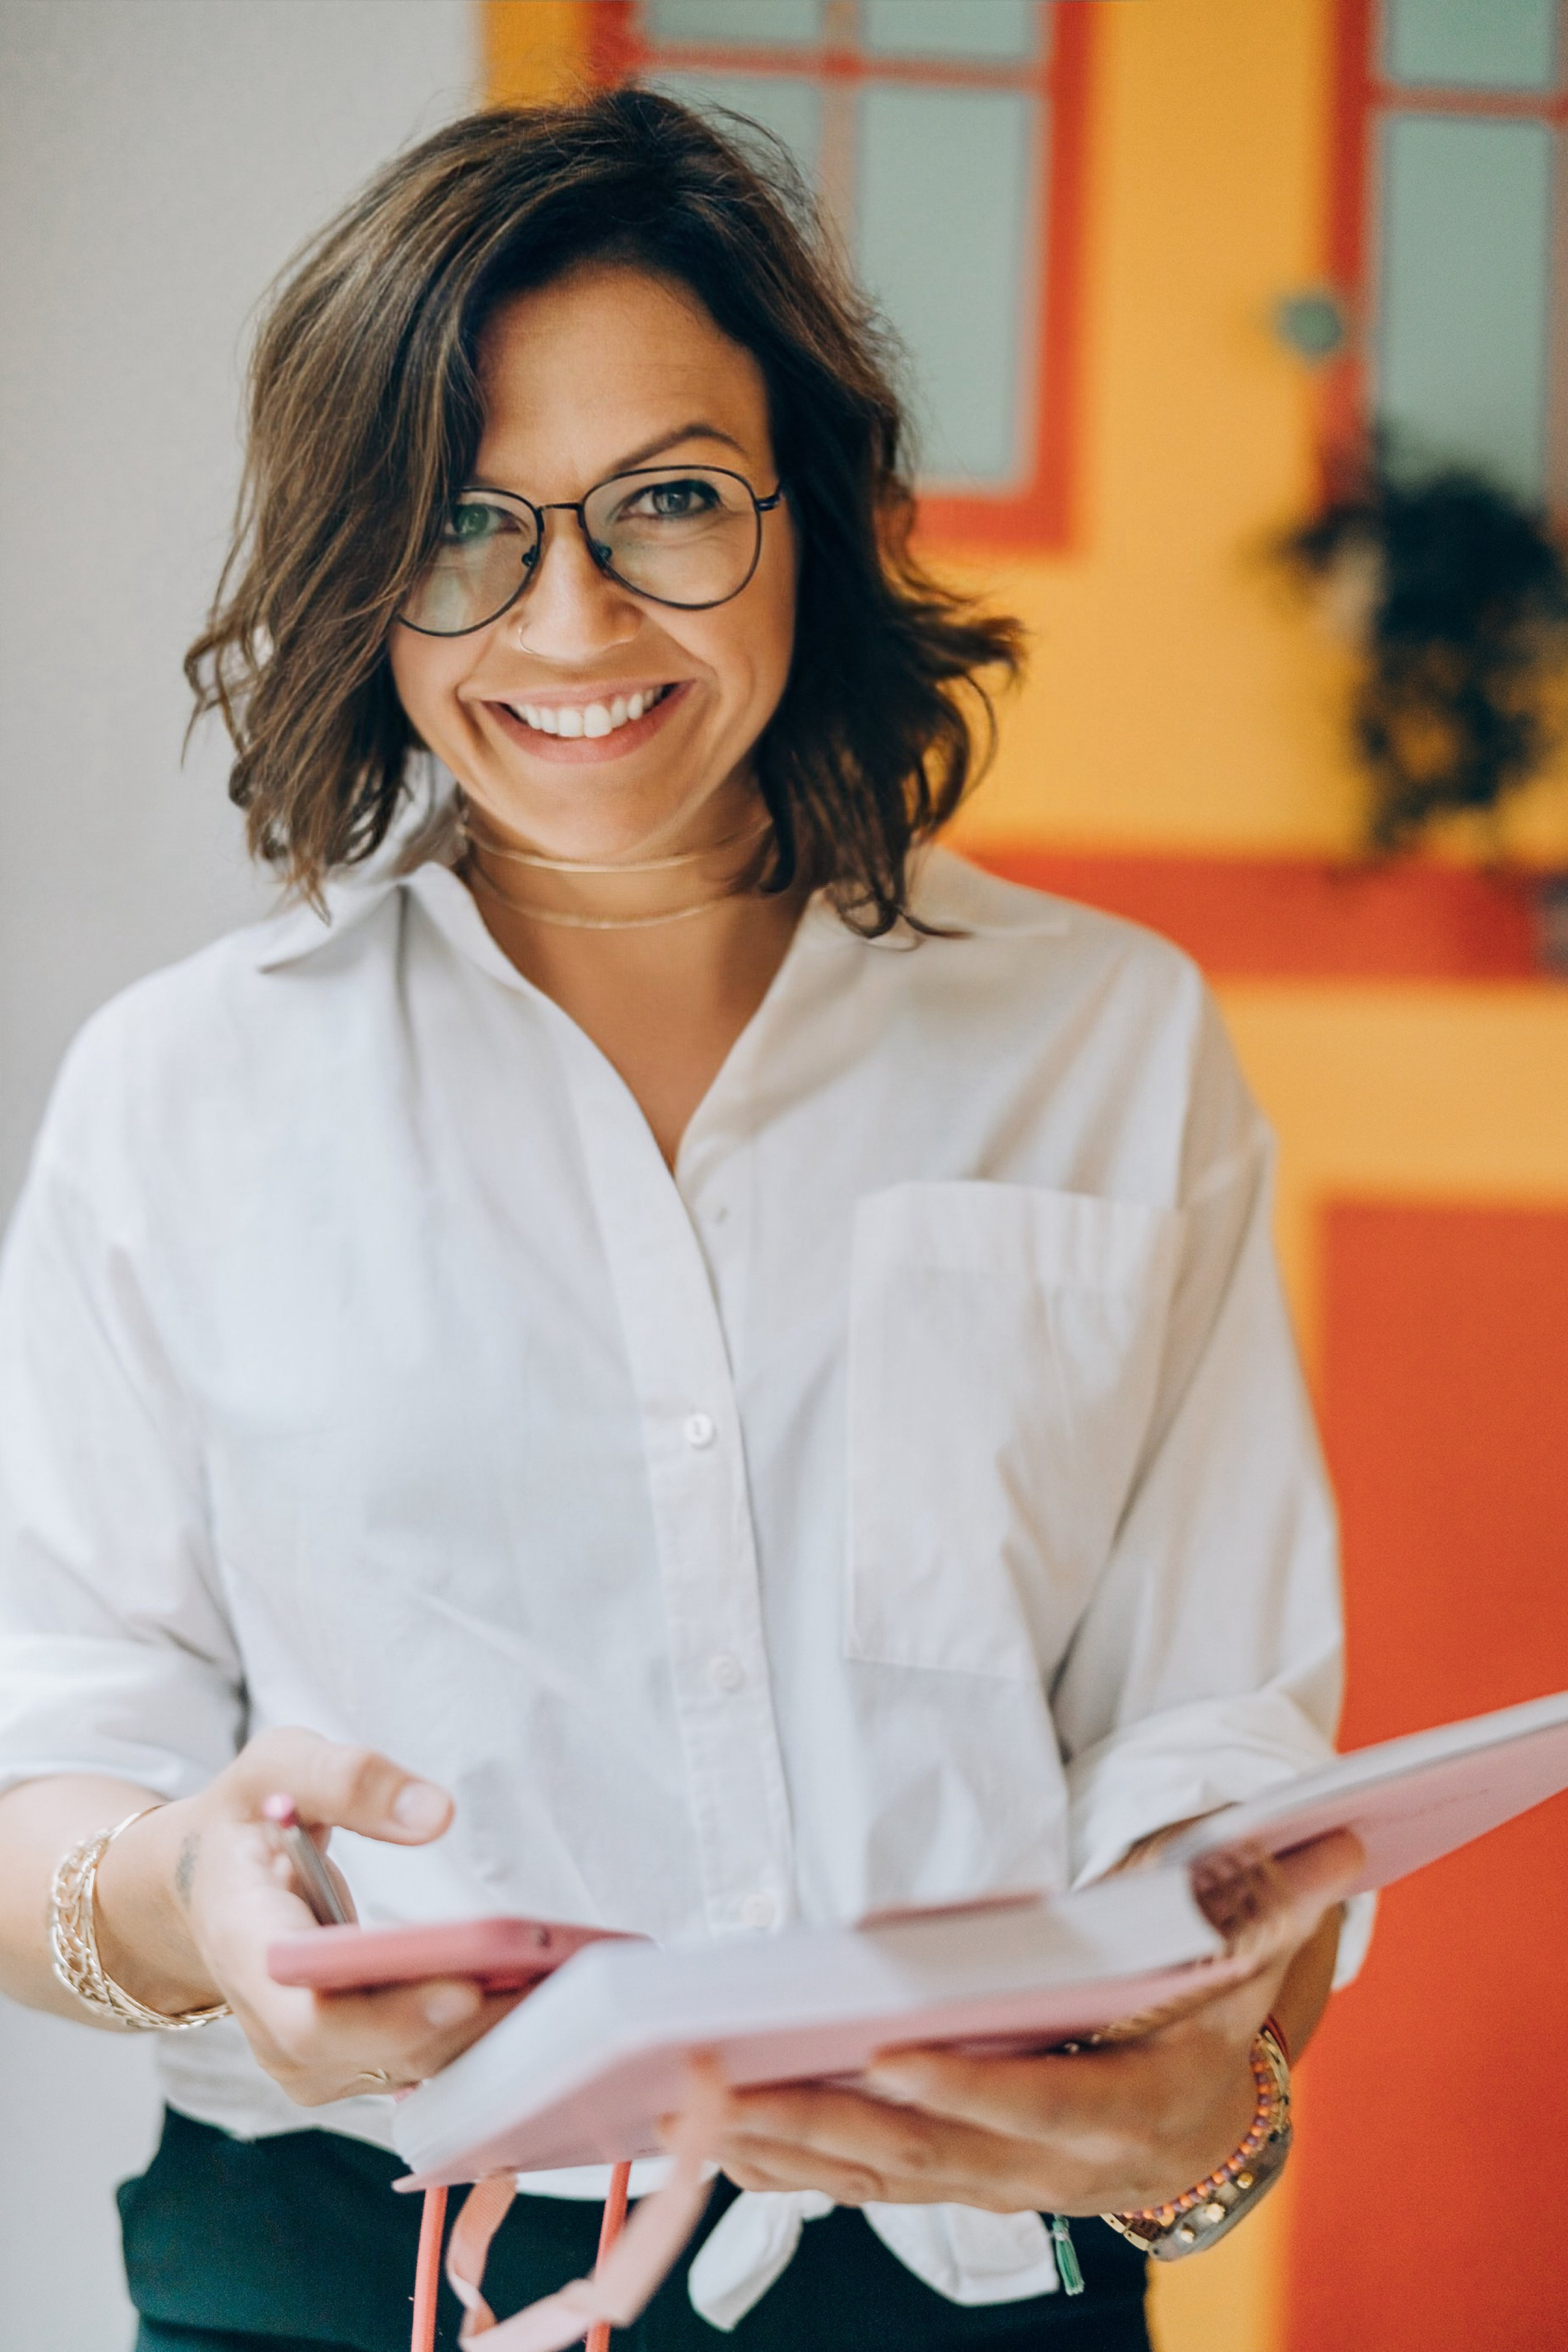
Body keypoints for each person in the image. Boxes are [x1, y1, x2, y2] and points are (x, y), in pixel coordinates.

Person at [0, 91, 1359, 2352]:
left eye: (670, 502)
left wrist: (1208, 2098)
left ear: (806, 509)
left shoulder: (1111, 1044)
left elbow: (1221, 1743)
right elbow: (51, 1756)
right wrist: (184, 1896)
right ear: (368, 565)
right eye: (466, 528)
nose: (573, 617)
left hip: (962, 2275)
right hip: (354, 2267)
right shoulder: (184, 1092)